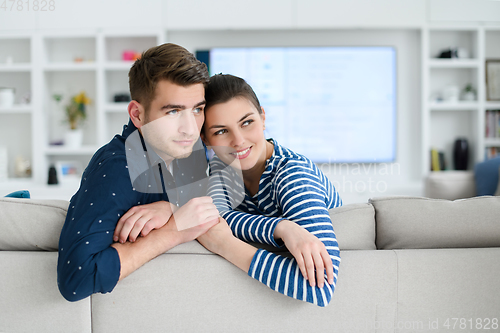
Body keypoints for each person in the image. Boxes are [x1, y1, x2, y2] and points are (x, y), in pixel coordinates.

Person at [57, 43, 220, 302]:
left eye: (197, 109)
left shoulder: (189, 151)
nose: (190, 128)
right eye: (173, 111)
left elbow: (214, 203)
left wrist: (172, 207)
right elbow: (76, 280)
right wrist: (173, 230)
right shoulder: (117, 168)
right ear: (137, 114)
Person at [196, 74, 342, 307]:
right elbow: (215, 216)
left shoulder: (293, 174)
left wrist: (225, 244)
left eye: (247, 122)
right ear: (205, 139)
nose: (238, 141)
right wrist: (281, 227)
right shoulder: (221, 166)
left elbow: (320, 288)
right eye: (221, 132)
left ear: (263, 118)